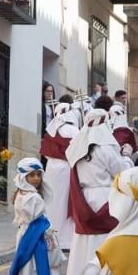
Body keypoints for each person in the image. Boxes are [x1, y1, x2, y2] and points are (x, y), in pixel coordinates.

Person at [64, 109, 134, 275]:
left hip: (85, 197)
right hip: (104, 195)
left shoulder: (77, 149)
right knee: (106, 240)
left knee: (84, 242)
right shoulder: (104, 148)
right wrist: (127, 155)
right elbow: (123, 172)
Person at [10, 158, 65, 275]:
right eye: (31, 175)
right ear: (22, 177)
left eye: (38, 175)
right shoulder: (33, 197)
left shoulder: (20, 195)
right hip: (38, 238)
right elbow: (38, 220)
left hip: (25, 237)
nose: (35, 178)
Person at [41, 101, 79, 250]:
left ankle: (50, 235)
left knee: (52, 202)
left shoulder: (50, 130)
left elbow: (45, 153)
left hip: (52, 170)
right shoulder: (75, 131)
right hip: (67, 168)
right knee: (65, 202)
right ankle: (67, 239)